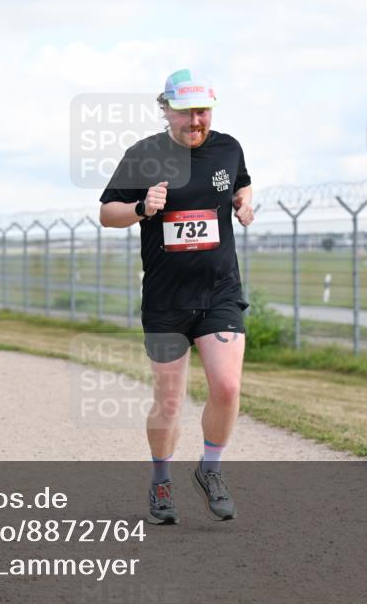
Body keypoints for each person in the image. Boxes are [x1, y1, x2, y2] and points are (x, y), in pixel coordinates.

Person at [98, 69, 255, 524]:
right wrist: (141, 208)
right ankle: (161, 479)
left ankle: (211, 469)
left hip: (220, 292)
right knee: (169, 399)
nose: (195, 120)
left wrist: (245, 202)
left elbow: (241, 183)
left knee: (226, 386)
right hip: (166, 299)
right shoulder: (143, 156)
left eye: (202, 111)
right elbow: (107, 213)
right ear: (165, 109)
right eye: (185, 111)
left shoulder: (228, 148)